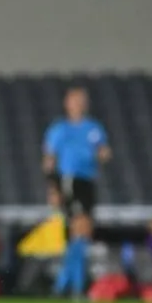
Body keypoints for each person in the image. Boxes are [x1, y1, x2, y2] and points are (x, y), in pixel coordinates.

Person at [42, 86, 111, 220]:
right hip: (68, 179)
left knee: (87, 216)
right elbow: (49, 159)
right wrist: (53, 188)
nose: (78, 104)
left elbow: (103, 151)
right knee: (73, 216)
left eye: (81, 101)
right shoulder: (59, 129)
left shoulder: (93, 128)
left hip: (87, 178)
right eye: (75, 101)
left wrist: (102, 155)